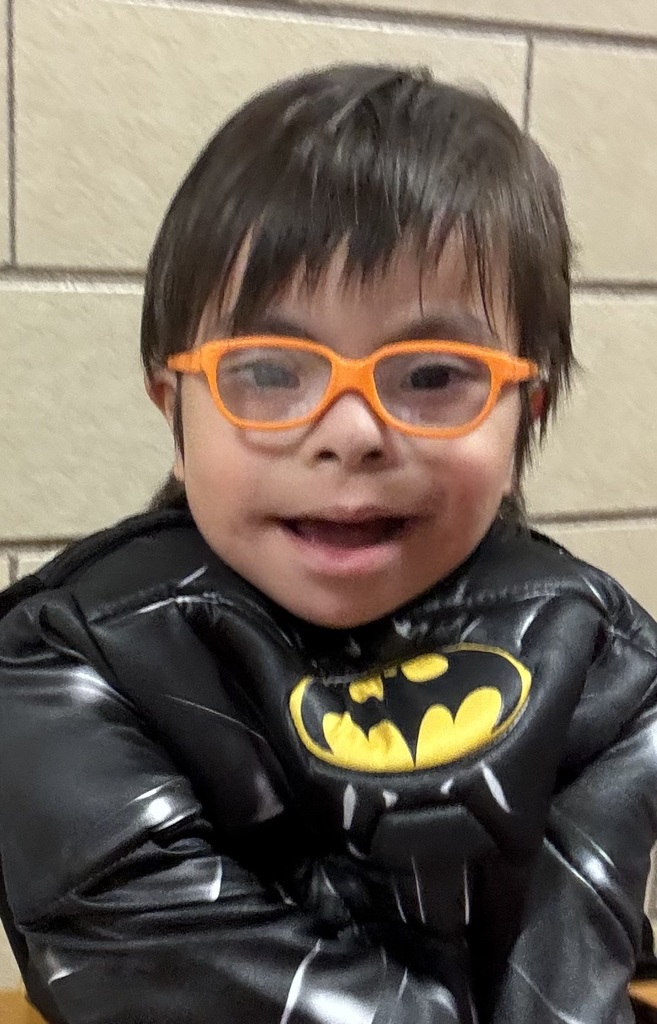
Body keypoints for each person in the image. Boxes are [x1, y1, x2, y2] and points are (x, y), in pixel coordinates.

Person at [1, 63, 656, 1024]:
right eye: (268, 370)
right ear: (174, 415)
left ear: (524, 419)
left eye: (433, 373)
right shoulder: (61, 659)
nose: (350, 431)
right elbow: (178, 970)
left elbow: (563, 989)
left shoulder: (601, 657)